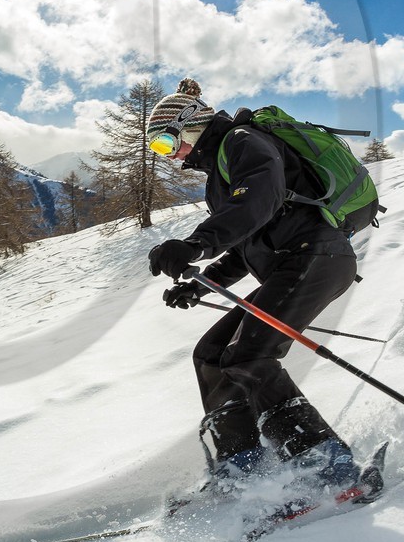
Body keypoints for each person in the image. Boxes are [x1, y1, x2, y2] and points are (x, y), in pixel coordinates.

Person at [144, 78, 362, 500]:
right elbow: (247, 246)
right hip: (290, 264)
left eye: (168, 143)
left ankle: (326, 467)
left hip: (317, 257)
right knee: (210, 355)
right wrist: (200, 286)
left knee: (250, 355)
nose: (171, 156)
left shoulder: (244, 142)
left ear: (191, 124)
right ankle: (243, 468)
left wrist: (195, 243)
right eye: (160, 151)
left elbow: (257, 201)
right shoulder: (219, 175)